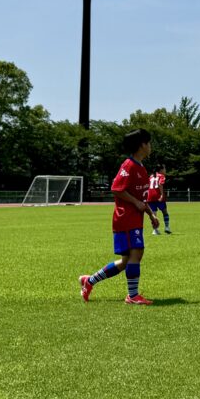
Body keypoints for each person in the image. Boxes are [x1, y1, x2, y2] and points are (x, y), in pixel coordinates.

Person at [79, 128, 161, 305]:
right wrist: (136, 203)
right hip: (126, 218)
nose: (150, 146)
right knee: (136, 254)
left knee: (126, 261)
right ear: (142, 145)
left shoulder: (141, 168)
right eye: (149, 143)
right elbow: (116, 188)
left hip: (134, 218)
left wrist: (151, 214)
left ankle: (89, 281)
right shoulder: (128, 165)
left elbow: (141, 199)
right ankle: (132, 296)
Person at [146, 164, 171, 235]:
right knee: (164, 211)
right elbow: (160, 184)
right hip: (157, 195)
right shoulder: (161, 176)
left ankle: (155, 230)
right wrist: (162, 195)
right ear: (161, 170)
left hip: (150, 196)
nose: (165, 170)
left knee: (153, 214)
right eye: (164, 168)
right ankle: (167, 227)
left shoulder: (151, 176)